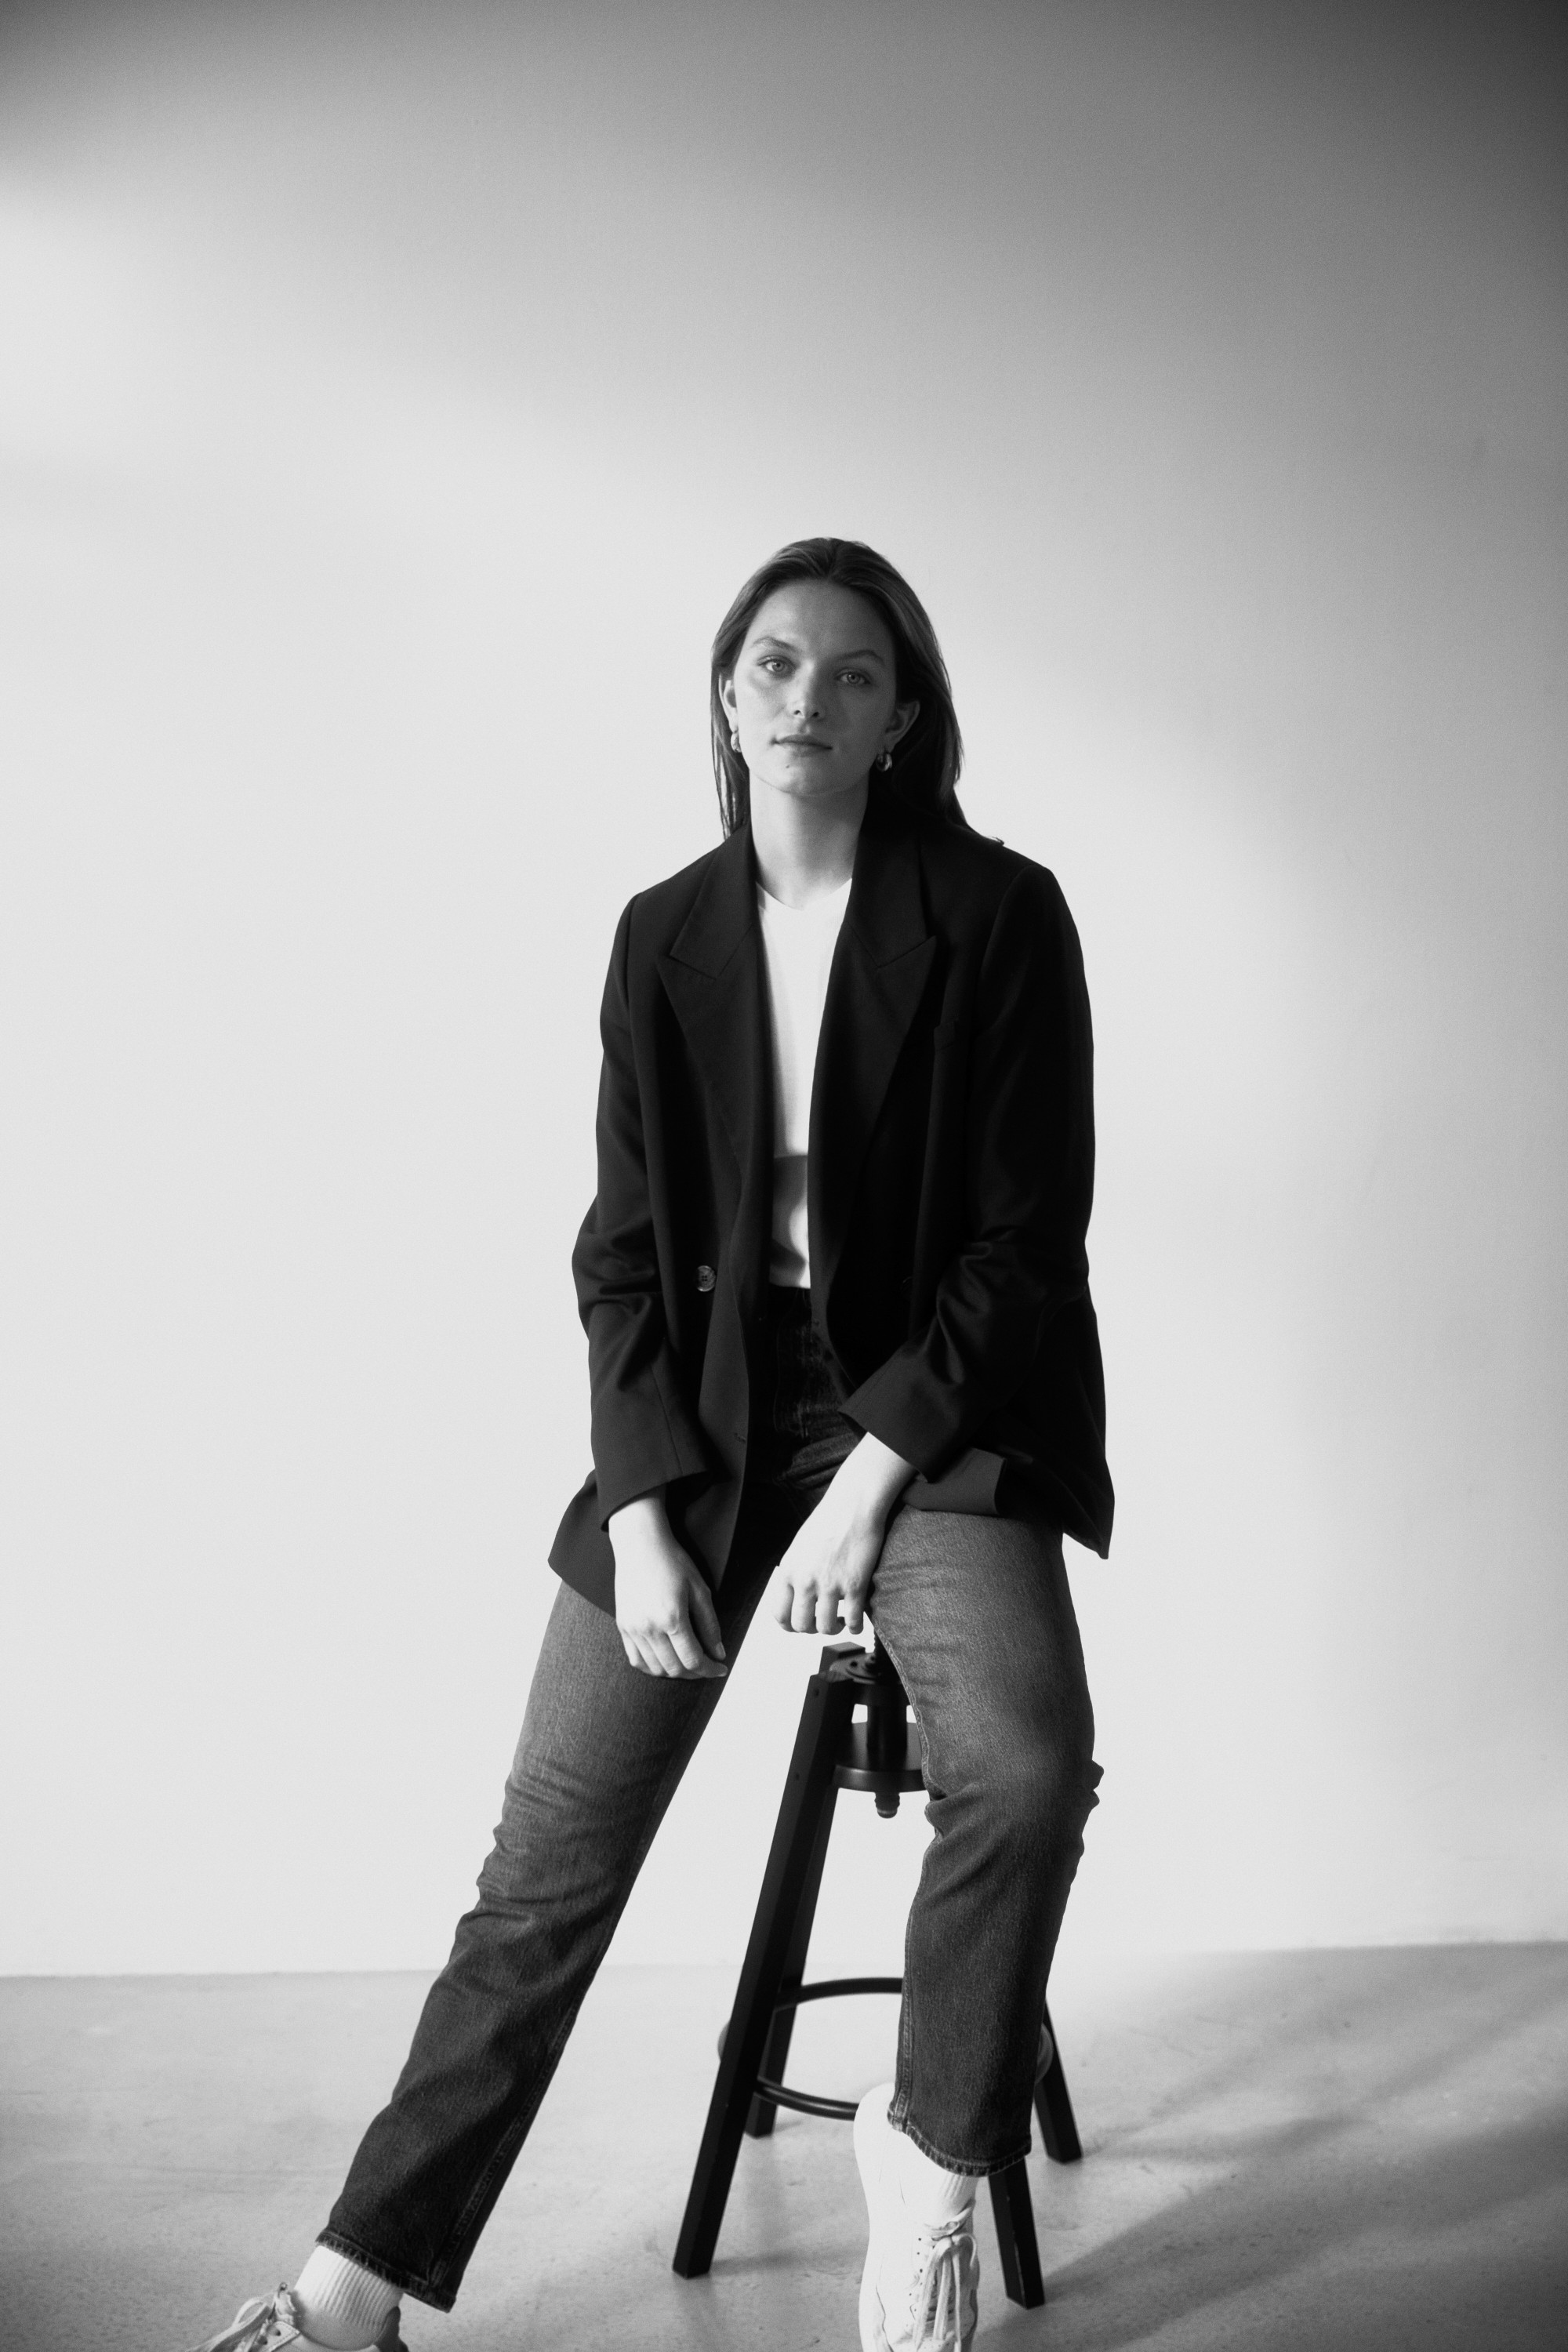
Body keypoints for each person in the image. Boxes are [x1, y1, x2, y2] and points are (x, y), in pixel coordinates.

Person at [187, 538, 1112, 2352]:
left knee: (1022, 1765)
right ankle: (348, 2292)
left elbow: (1023, 1251)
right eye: (775, 663)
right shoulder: (661, 935)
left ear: (903, 718)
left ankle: (926, 2167)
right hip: (708, 1410)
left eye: (854, 672)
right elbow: (620, 1256)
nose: (808, 696)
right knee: (548, 1854)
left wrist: (867, 1487)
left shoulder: (1000, 915)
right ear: (726, 697)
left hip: (932, 1413)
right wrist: (635, 1512)